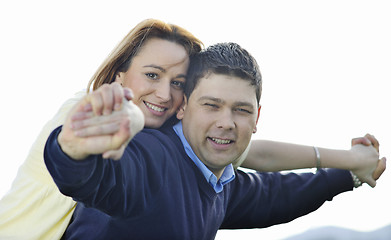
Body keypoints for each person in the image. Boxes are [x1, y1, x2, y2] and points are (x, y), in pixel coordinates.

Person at [0, 18, 383, 239]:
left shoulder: (212, 175)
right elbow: (103, 175)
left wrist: (349, 171)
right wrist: (72, 147)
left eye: (177, 82)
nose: (164, 94)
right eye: (212, 105)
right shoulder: (138, 146)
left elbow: (272, 190)